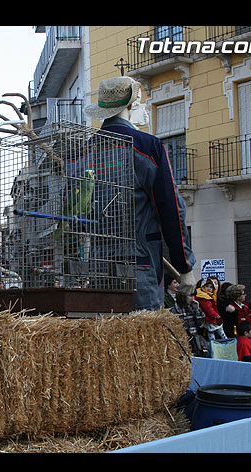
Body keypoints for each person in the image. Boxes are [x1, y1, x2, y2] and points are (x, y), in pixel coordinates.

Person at [86, 76, 196, 310]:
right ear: (132, 104)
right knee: (140, 338)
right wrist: (184, 266)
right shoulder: (147, 147)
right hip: (140, 267)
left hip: (96, 268)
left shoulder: (84, 152)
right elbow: (171, 210)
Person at [170, 290, 209, 357]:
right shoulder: (173, 311)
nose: (193, 298)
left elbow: (201, 326)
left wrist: (197, 310)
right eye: (190, 296)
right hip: (182, 344)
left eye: (194, 296)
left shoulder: (192, 308)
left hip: (195, 343)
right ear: (183, 296)